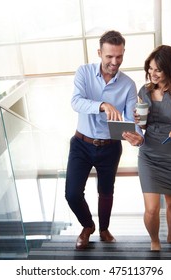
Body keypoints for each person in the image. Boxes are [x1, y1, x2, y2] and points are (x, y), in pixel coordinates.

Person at [65, 30, 144, 250]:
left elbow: (131, 117)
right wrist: (103, 105)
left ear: (123, 53)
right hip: (81, 143)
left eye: (119, 56)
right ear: (100, 52)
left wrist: (138, 137)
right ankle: (88, 225)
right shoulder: (84, 72)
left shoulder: (128, 84)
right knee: (72, 194)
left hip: (110, 147)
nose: (114, 62)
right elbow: (76, 102)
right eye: (109, 56)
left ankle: (104, 229)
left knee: (106, 191)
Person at [124, 45, 171, 251]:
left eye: (158, 69)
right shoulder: (144, 91)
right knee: (151, 209)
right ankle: (154, 241)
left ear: (170, 69)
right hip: (148, 154)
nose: (152, 73)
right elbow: (144, 125)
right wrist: (139, 122)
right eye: (150, 68)